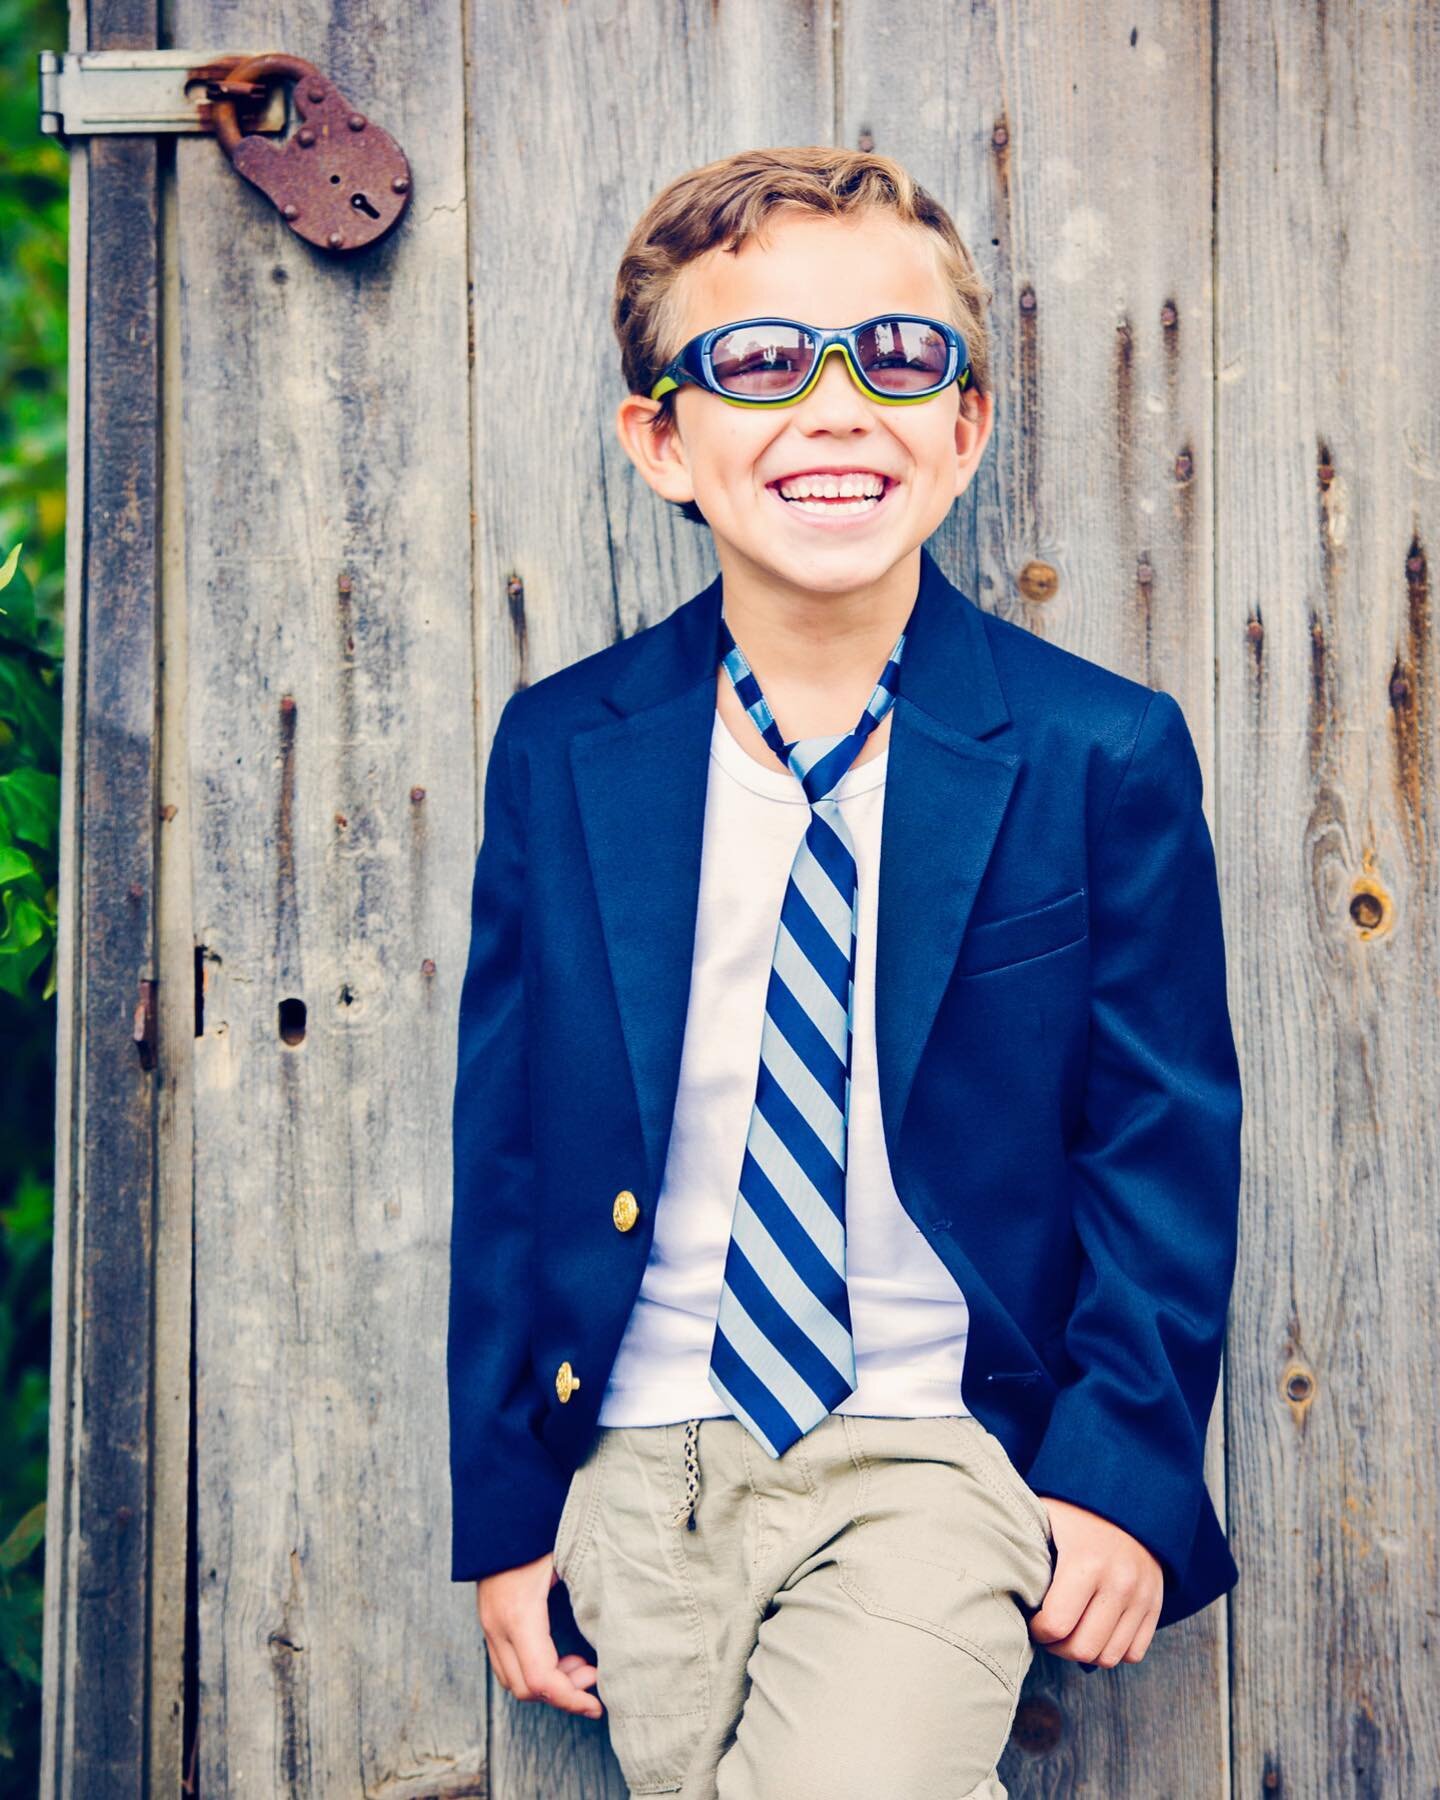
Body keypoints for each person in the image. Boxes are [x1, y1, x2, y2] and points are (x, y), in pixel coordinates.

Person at [447, 145, 1243, 1799]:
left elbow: (1162, 1150)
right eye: (754, 362)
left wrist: (1121, 1471)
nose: (834, 408)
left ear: (963, 426)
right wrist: (508, 1511)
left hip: (935, 1448)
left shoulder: (1101, 753)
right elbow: (508, 1151)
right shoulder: (563, 750)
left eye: (896, 357)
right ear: (661, 441)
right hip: (645, 1456)